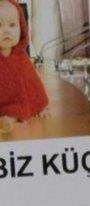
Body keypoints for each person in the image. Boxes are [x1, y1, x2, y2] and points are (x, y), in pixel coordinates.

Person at [0, 0, 48, 133]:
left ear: (22, 28)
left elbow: (32, 83)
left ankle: (9, 120)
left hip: (16, 105)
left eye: (12, 25)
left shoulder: (22, 59)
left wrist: (41, 106)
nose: (6, 31)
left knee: (15, 113)